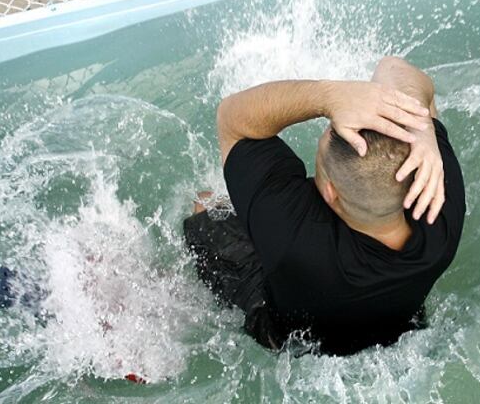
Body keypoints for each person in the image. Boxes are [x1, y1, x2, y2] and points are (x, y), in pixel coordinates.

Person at [184, 57, 465, 355]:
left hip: (291, 341)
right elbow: (394, 67)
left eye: (330, 130)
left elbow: (231, 118)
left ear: (330, 192)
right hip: (397, 329)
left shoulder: (294, 230)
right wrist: (422, 127)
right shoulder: (441, 204)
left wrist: (328, 97)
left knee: (206, 203)